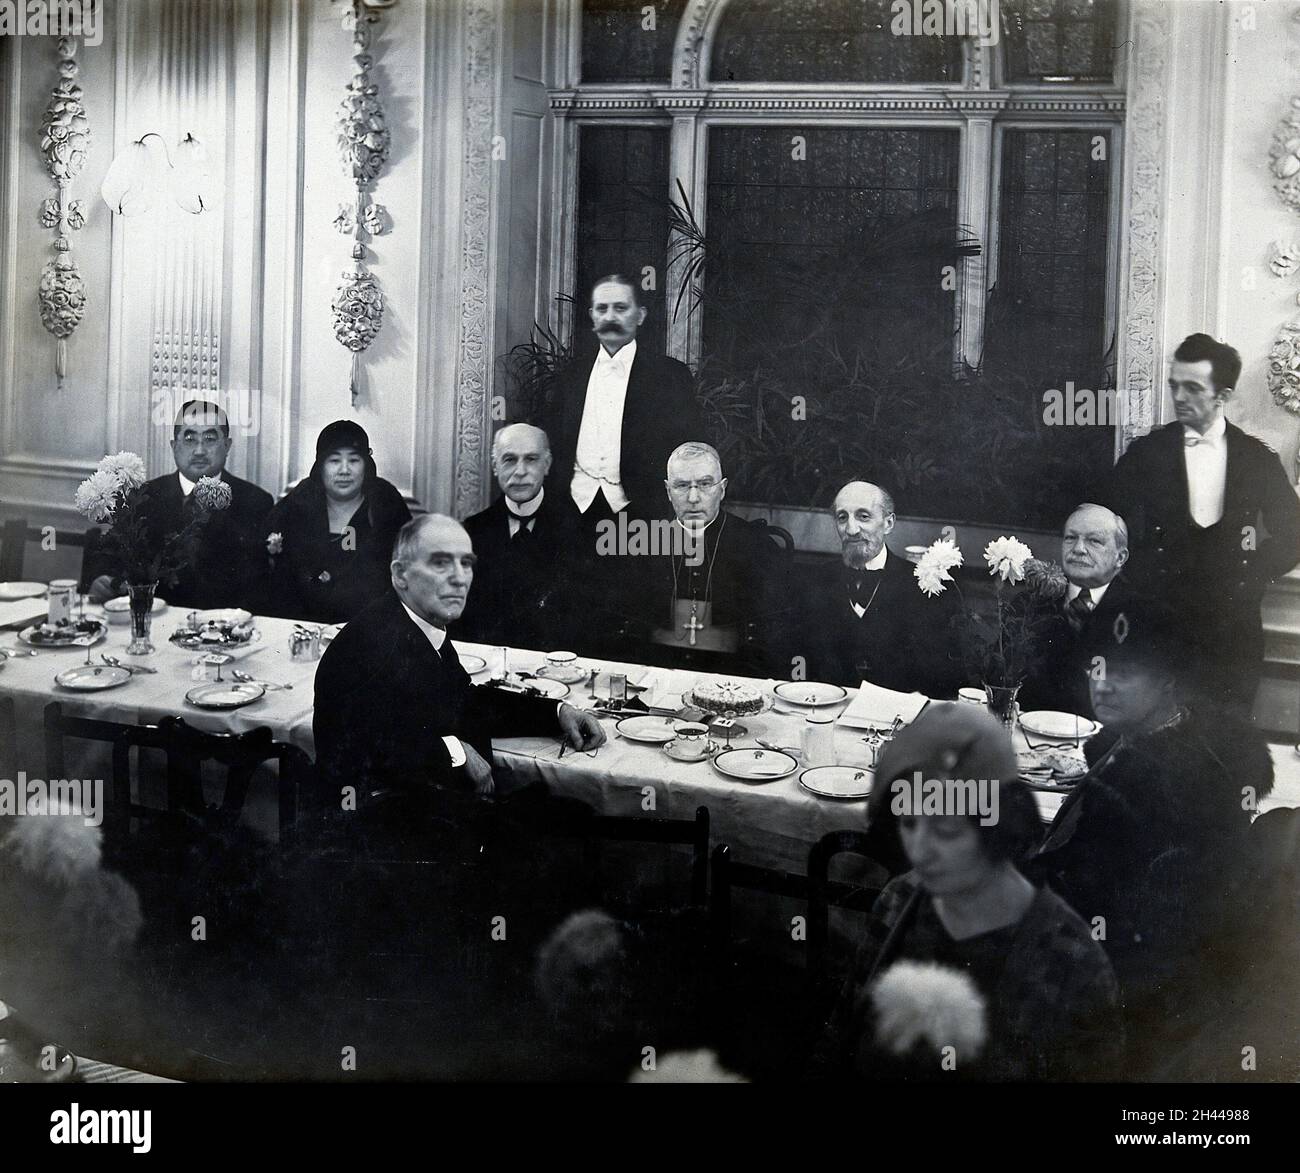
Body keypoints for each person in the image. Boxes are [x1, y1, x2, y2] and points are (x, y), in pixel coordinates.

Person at [811, 705, 1122, 1082]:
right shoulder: (899, 899)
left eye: (945, 827)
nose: (921, 849)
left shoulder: (1071, 960)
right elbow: (841, 1040)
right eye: (909, 823)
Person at [1026, 610, 1272, 1075]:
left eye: (1124, 672)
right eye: (1096, 668)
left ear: (1168, 681)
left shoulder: (1145, 789)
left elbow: (1073, 901)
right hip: (1171, 974)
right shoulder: (1195, 747)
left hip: (1121, 988)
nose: (1103, 684)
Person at [311, 514, 606, 854]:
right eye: (440, 563)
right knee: (570, 839)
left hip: (430, 816)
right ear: (400, 575)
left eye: (466, 564)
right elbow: (369, 743)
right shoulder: (369, 641)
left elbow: (465, 701)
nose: (459, 578)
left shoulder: (417, 623)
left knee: (577, 822)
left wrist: (557, 712)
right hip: (381, 841)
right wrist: (455, 752)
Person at [1098, 333, 1300, 715]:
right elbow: (1105, 518)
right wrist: (1140, 570)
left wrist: (1249, 571)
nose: (1179, 397)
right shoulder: (1147, 453)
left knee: (1219, 748)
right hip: (1153, 629)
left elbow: (1294, 534)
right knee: (1148, 742)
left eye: (1192, 388)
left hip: (1231, 634)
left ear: (1222, 396)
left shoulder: (1256, 459)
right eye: (1175, 385)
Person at [604, 442, 787, 673]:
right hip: (656, 674)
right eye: (681, 485)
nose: (693, 497)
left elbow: (771, 634)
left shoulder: (758, 547)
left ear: (722, 489)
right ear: (668, 491)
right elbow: (627, 631)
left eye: (704, 484)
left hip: (733, 676)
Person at [541, 274, 704, 529]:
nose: (610, 317)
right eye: (602, 309)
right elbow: (555, 442)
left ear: (640, 315)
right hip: (573, 510)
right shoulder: (572, 375)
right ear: (592, 315)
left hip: (640, 514)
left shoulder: (670, 375)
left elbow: (687, 447)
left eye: (620, 308)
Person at [87, 400, 273, 610]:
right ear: (174, 446)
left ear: (227, 446)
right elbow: (113, 555)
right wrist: (100, 579)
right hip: (156, 622)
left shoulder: (255, 502)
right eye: (190, 439)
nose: (200, 451)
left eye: (210, 439)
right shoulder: (145, 497)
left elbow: (259, 586)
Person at [799, 480, 960, 695]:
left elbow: (943, 679)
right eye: (842, 517)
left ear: (888, 523)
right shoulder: (814, 581)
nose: (852, 529)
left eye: (863, 516)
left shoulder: (924, 586)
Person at [262, 420, 411, 624]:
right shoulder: (300, 500)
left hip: (370, 627)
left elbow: (408, 575)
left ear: (366, 464)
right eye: (334, 460)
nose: (344, 470)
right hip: (303, 625)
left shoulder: (386, 503)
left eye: (354, 460)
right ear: (320, 465)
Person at [455, 423, 581, 650]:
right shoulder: (474, 531)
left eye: (531, 459)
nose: (520, 471)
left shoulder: (576, 529)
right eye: (509, 460)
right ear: (495, 466)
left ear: (547, 465)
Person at [1018, 503, 1142, 717]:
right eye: (1070, 538)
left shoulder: (1141, 616)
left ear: (1120, 557)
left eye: (1094, 541)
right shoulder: (1027, 604)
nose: (1078, 549)